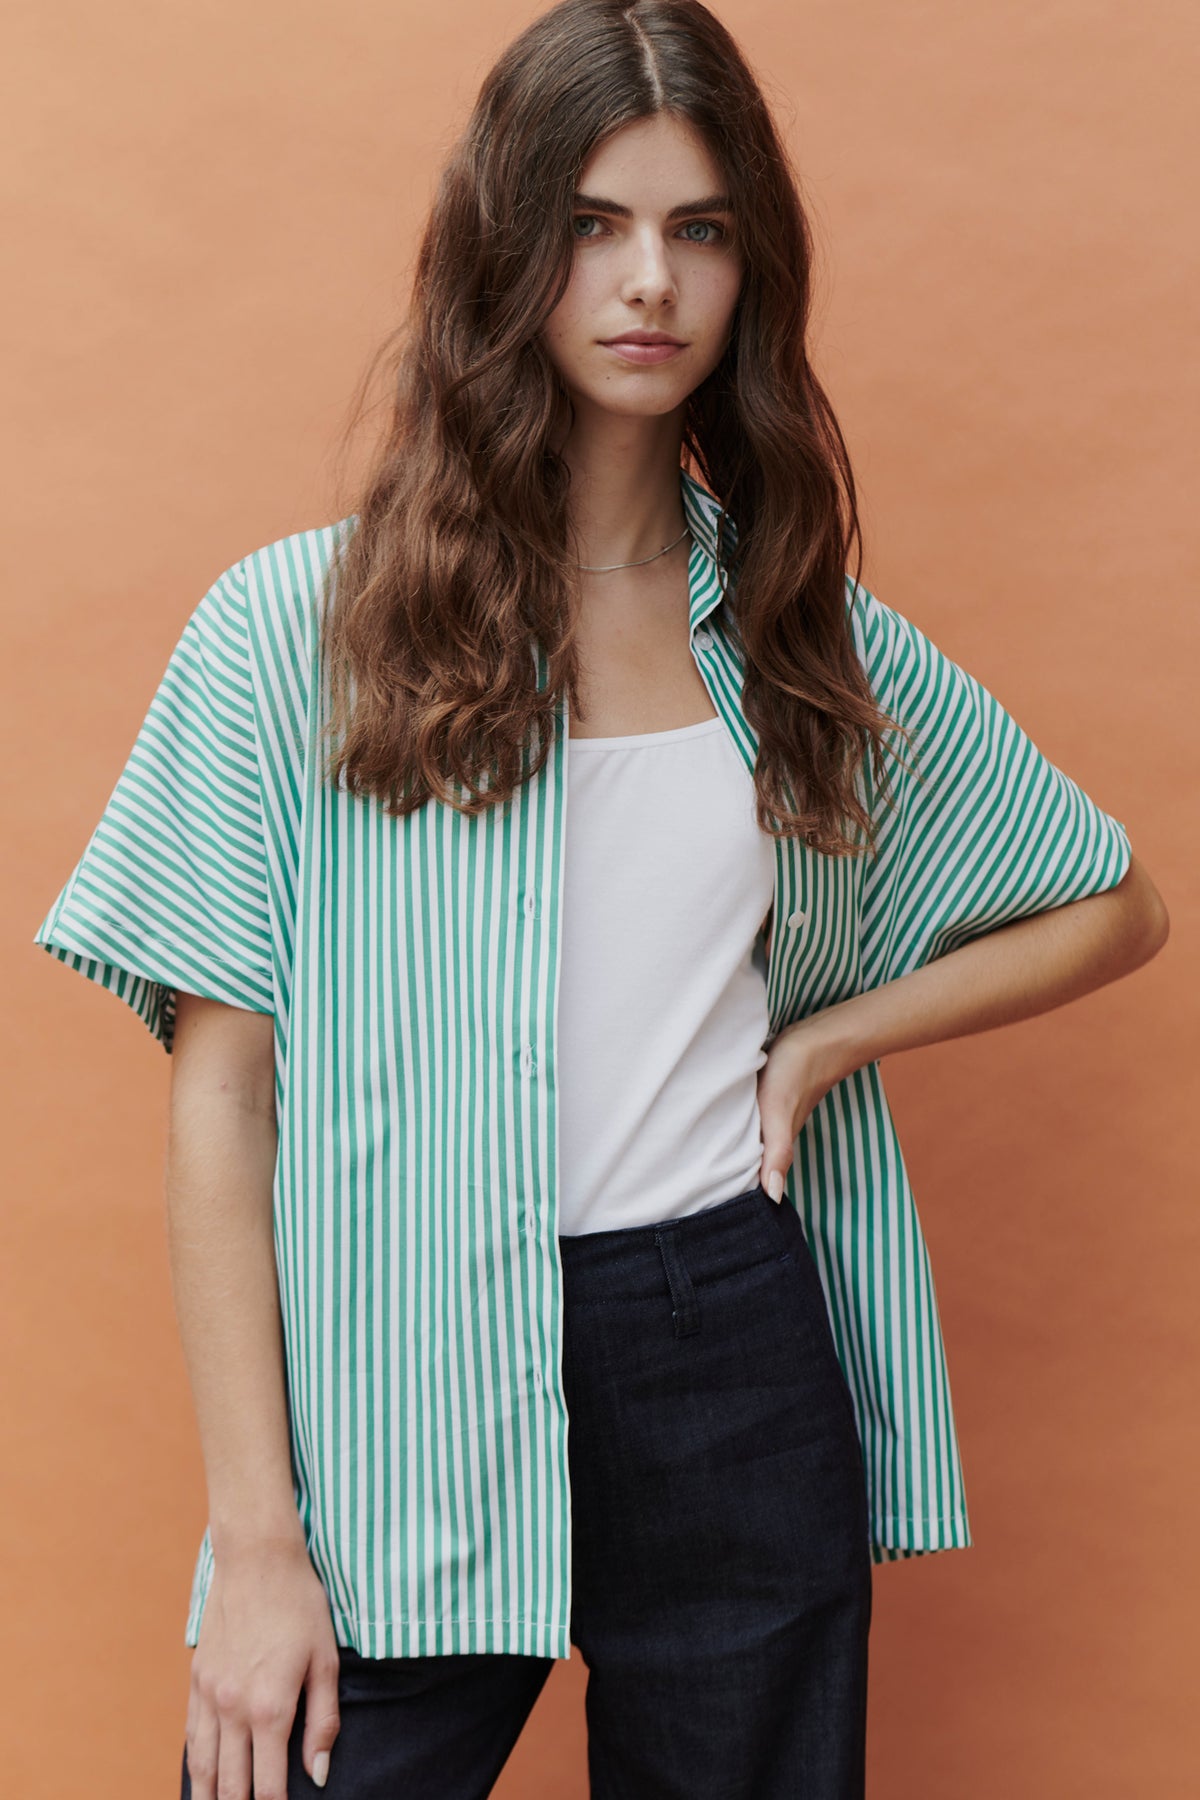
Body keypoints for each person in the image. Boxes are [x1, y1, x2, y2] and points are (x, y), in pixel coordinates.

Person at [32, 2, 1169, 1796]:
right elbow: (220, 1093)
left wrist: (826, 1046)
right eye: (593, 225)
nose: (650, 283)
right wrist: (258, 1547)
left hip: (725, 1339)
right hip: (400, 1359)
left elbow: (1113, 904)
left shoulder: (795, 641)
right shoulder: (290, 635)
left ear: (749, 270)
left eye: (699, 229)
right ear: (510, 251)